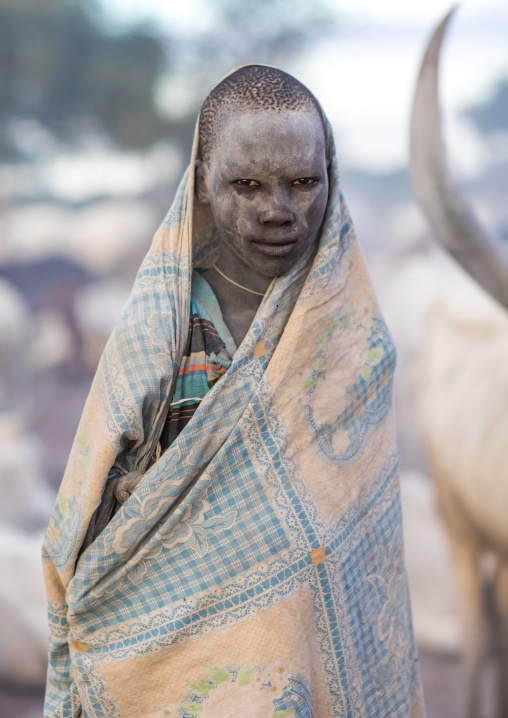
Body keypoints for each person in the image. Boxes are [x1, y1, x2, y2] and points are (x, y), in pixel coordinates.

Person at [43, 65, 424, 718]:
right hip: (171, 669)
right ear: (199, 183)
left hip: (307, 665)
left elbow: (360, 564)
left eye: (302, 183)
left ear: (330, 175)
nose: (277, 211)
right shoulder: (157, 338)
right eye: (245, 185)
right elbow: (84, 529)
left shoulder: (354, 344)